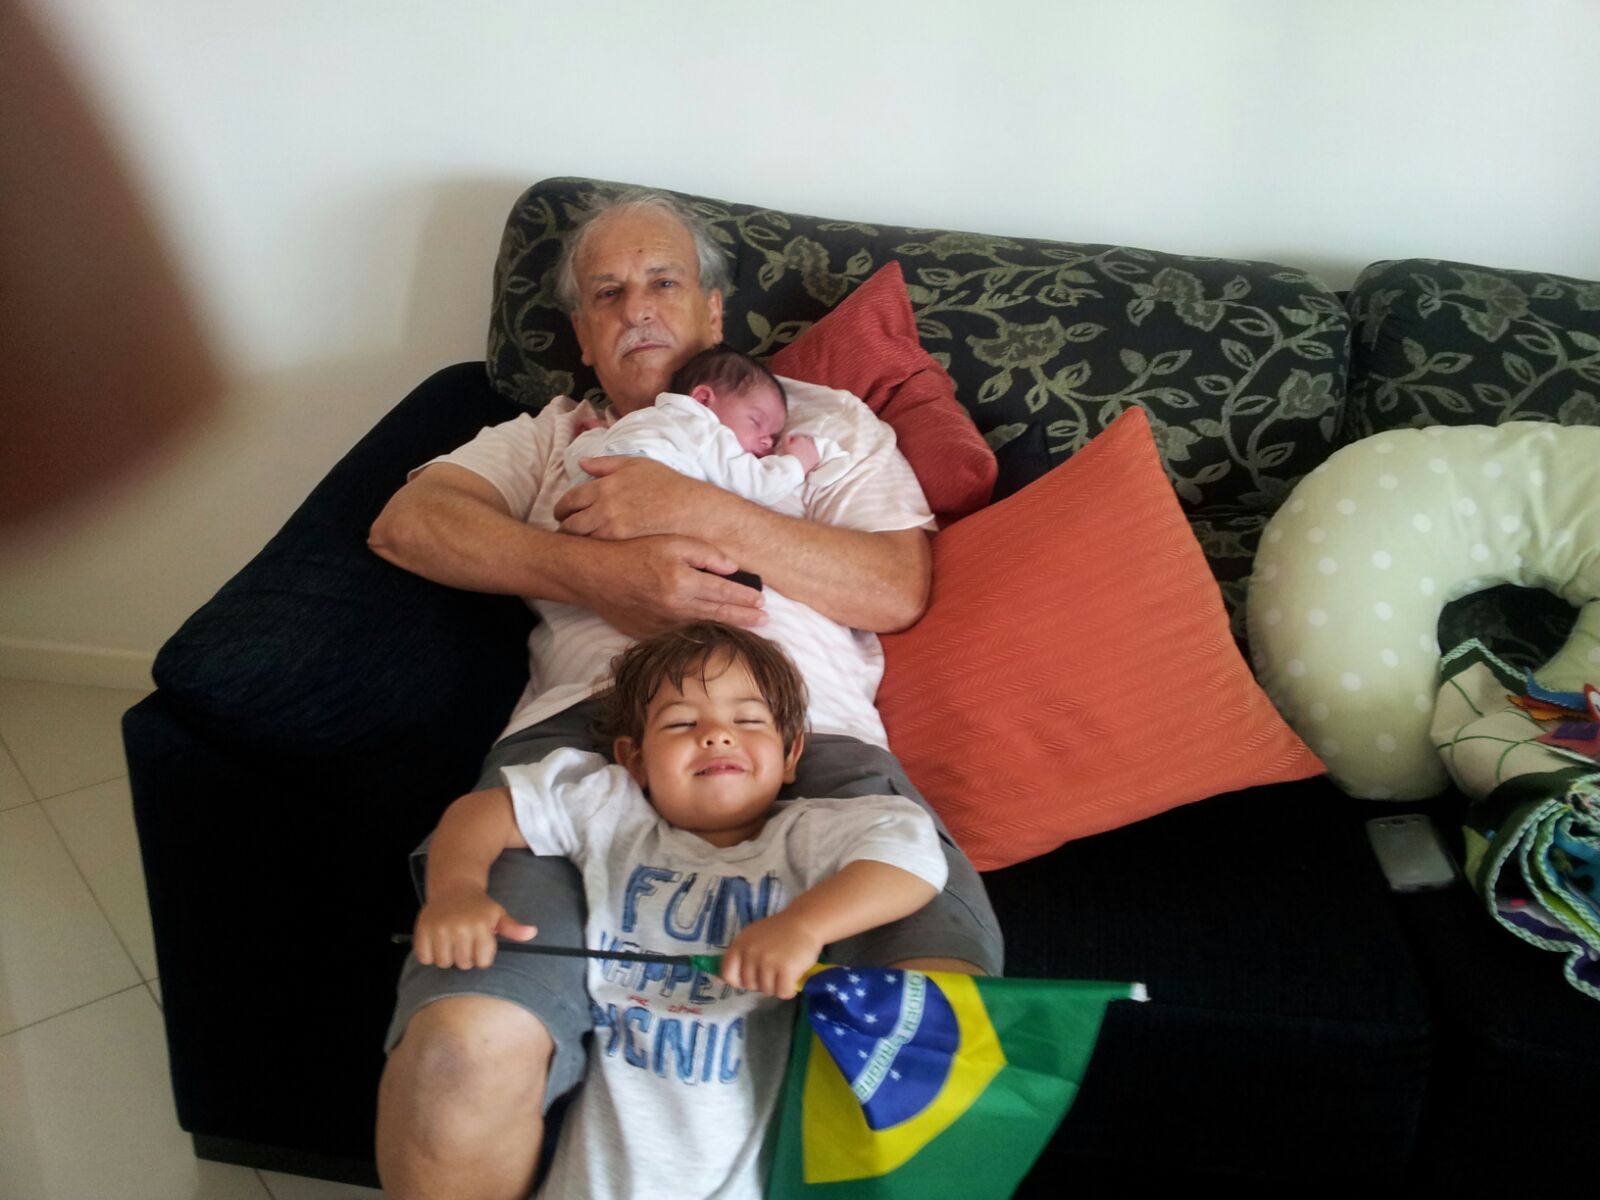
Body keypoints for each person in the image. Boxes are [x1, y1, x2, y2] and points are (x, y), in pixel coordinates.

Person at [368, 187, 1002, 1200]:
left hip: (808, 742)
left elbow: (895, 587)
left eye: (662, 282)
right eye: (607, 293)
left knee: (922, 1033)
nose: (637, 308)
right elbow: (409, 525)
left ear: (712, 310)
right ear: (582, 334)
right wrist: (599, 575)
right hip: (587, 742)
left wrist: (698, 508)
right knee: (461, 1052)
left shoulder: (823, 424)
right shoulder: (551, 436)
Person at [413, 622, 946, 1199]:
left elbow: (913, 858)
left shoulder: (808, 835)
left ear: (791, 754)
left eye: (749, 721)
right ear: (634, 760)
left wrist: (805, 925)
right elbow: (481, 813)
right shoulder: (612, 811)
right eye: (681, 723)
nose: (717, 735)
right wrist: (456, 891)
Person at [564, 344, 852, 503]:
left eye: (773, 438)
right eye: (756, 421)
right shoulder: (704, 431)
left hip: (582, 502)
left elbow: (584, 462)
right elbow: (757, 486)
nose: (767, 441)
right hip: (638, 505)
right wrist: (797, 463)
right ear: (702, 400)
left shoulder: (639, 422)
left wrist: (593, 436)